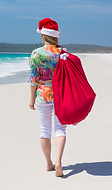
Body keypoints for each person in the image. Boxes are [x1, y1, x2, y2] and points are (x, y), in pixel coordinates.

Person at [29, 18, 66, 177]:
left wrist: (32, 99)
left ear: (43, 36)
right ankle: (58, 161)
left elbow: (33, 79)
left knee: (45, 131)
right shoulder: (63, 52)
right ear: (56, 36)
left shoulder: (36, 53)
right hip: (60, 94)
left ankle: (49, 163)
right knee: (60, 129)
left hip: (43, 94)